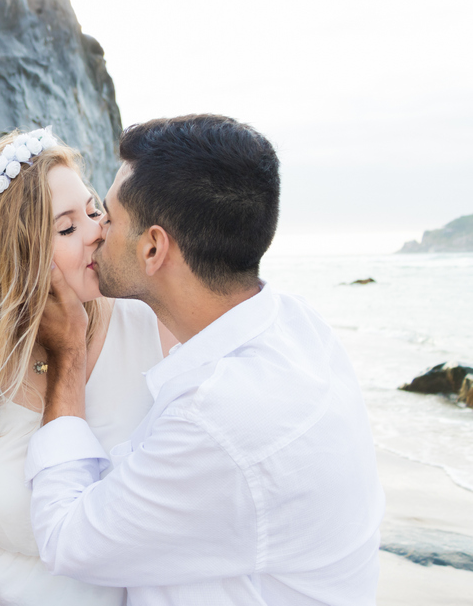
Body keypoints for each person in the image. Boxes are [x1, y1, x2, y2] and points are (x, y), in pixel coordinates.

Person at [26, 114, 386, 605]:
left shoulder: (217, 418)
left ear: (153, 247)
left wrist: (67, 354)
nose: (96, 232)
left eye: (106, 216)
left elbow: (66, 541)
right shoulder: (298, 324)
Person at [0, 127, 176, 606]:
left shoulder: (154, 329)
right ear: (14, 258)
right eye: (66, 228)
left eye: (94, 211)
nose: (96, 232)